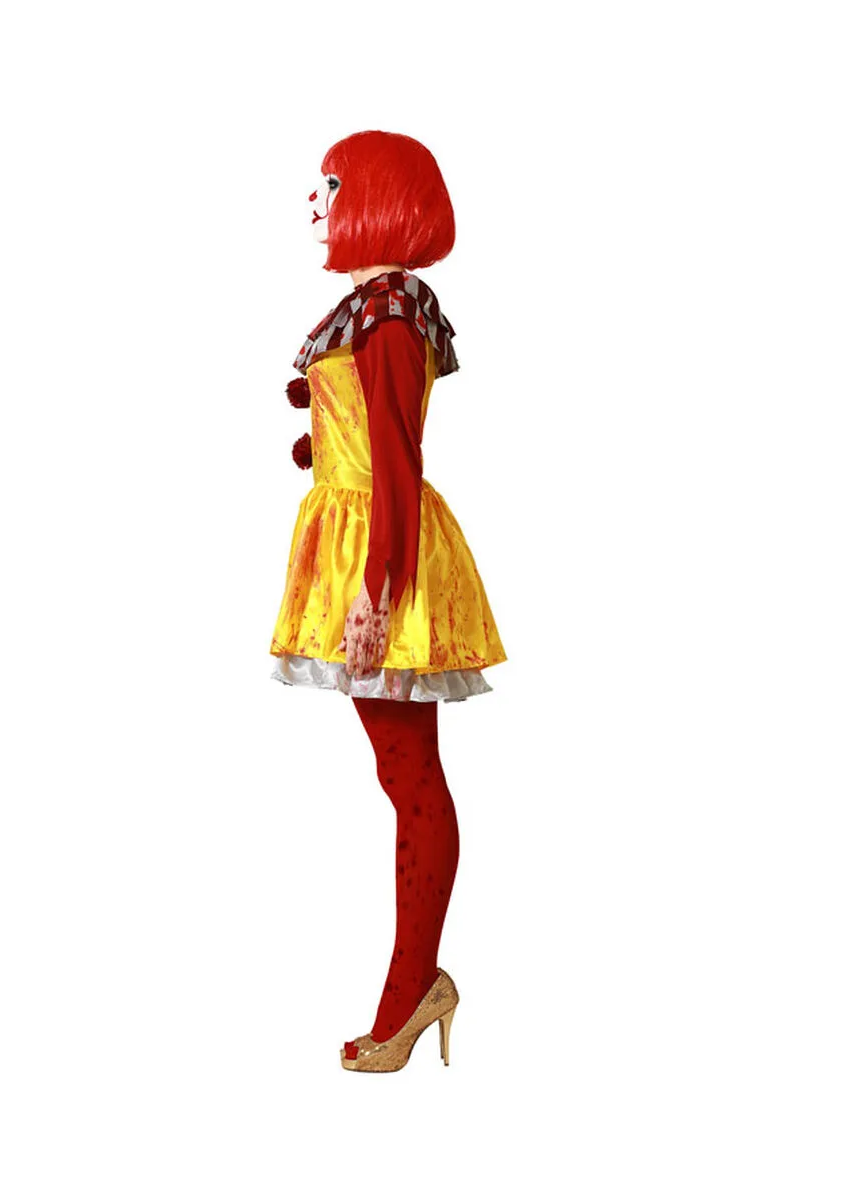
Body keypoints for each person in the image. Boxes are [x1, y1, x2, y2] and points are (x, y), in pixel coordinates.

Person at [268, 130, 507, 1072]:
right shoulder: (370, 310)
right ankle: (418, 985)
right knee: (402, 778)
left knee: (411, 782)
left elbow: (398, 462)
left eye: (332, 185)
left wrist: (378, 591)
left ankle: (413, 991)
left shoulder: (394, 315)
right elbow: (363, 432)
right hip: (360, 546)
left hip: (382, 557)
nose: (316, 201)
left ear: (376, 196)